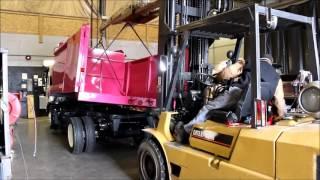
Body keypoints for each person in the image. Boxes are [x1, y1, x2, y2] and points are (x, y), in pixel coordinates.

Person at [174, 54, 286, 143]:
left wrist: (218, 76)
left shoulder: (250, 62)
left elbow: (228, 73)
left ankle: (184, 132)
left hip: (238, 93)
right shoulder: (277, 78)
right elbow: (279, 103)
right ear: (271, 63)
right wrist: (278, 117)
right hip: (254, 107)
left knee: (208, 108)